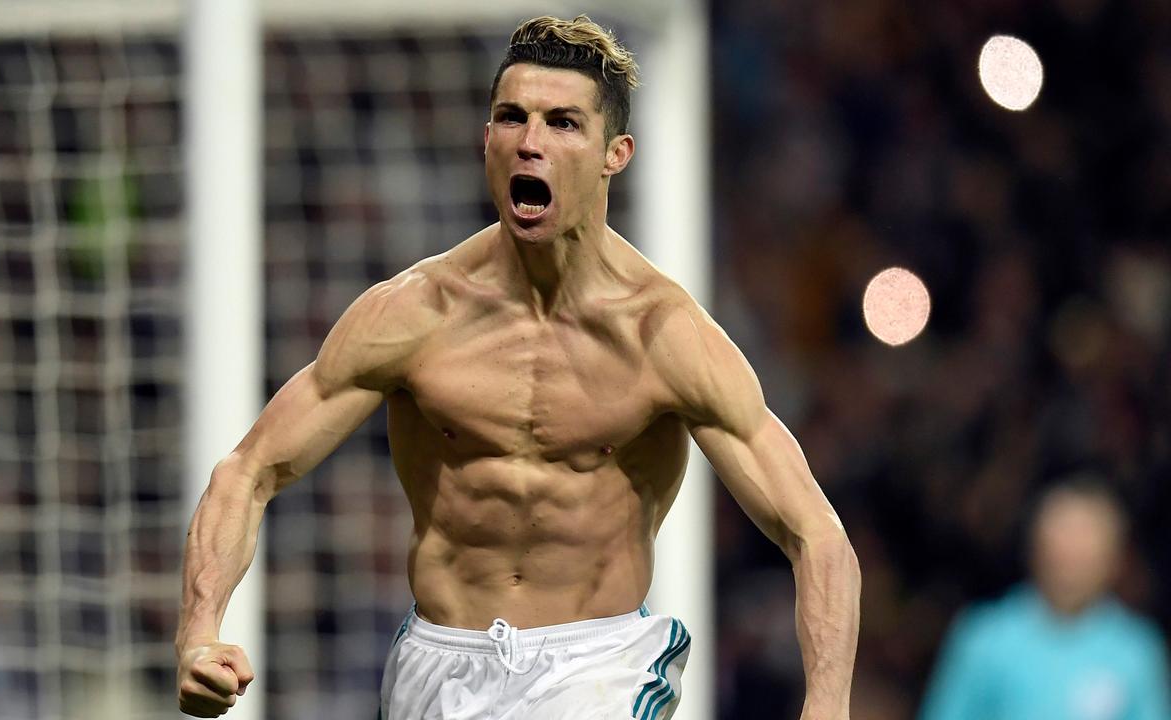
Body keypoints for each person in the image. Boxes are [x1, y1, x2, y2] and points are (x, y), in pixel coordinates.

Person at [175, 14, 860, 720]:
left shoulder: (665, 337)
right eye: (512, 118)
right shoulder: (416, 314)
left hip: (599, 665)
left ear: (614, 153)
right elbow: (249, 470)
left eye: (563, 123)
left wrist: (828, 704)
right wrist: (198, 635)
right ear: (486, 139)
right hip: (437, 662)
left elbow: (816, 533)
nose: (530, 142)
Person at [920, 479, 1171, 720]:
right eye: (1062, 539)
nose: (1071, 555)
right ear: (1036, 546)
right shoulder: (986, 637)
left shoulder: (1136, 650)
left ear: (1113, 558)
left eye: (1085, 544)